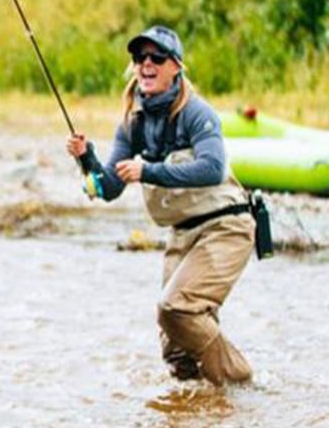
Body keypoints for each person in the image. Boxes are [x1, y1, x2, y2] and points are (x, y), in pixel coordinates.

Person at [65, 25, 254, 386]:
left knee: (177, 309)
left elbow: (213, 168)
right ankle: (204, 419)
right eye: (139, 58)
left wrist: (149, 170)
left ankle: (238, 381)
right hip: (182, 234)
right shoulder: (131, 123)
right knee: (176, 349)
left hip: (225, 227)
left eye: (156, 57)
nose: (146, 64)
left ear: (175, 67)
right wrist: (86, 159)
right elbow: (108, 188)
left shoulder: (198, 113)